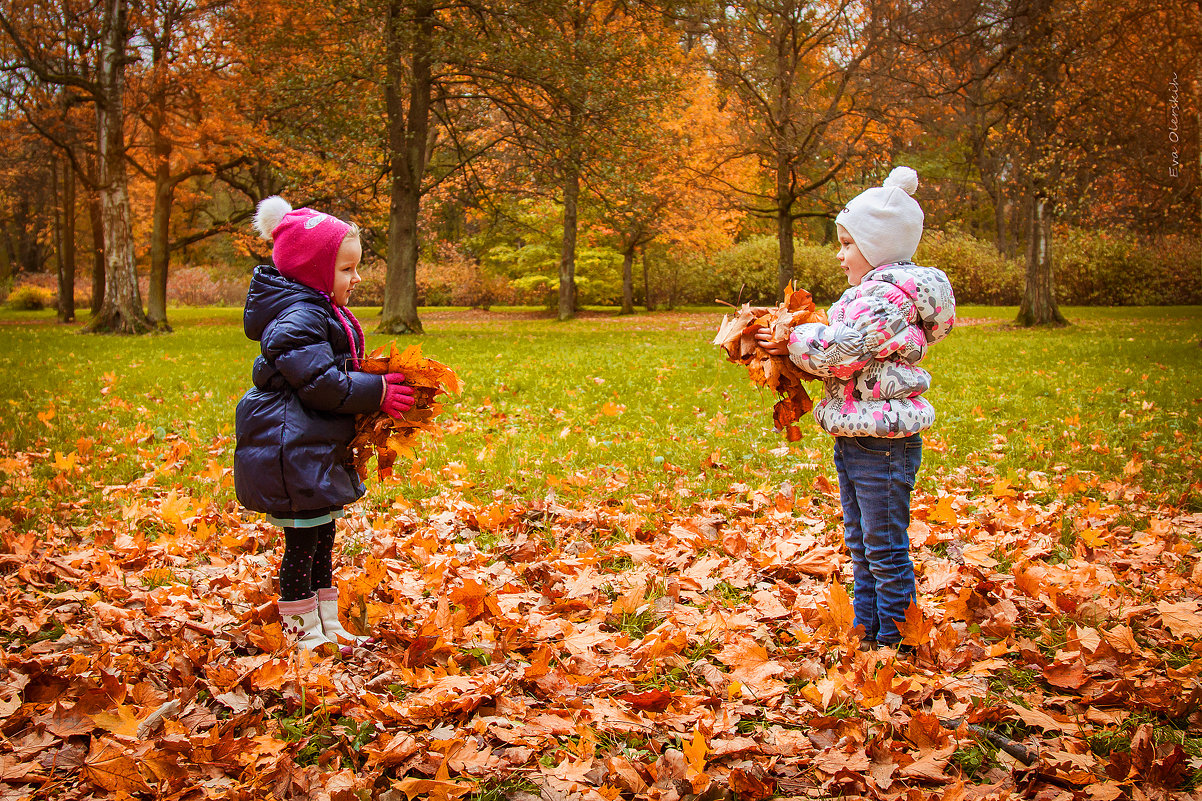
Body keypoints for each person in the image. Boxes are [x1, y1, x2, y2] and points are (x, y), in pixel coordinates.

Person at [756, 166, 955, 651]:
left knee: (884, 547)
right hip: (859, 433)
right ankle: (870, 632)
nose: (840, 254)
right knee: (864, 544)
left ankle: (897, 642)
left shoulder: (887, 297)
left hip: (883, 441)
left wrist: (790, 338)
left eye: (847, 243)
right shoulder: (872, 294)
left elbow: (841, 353)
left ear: (879, 245)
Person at [234, 196, 415, 654]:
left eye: (356, 268)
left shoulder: (317, 309)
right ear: (314, 272)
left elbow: (332, 371)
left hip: (311, 444)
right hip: (291, 447)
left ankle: (325, 623)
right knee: (303, 540)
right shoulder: (300, 317)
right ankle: (301, 632)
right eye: (346, 270)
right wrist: (376, 392)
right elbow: (319, 383)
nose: (356, 279)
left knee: (322, 533)